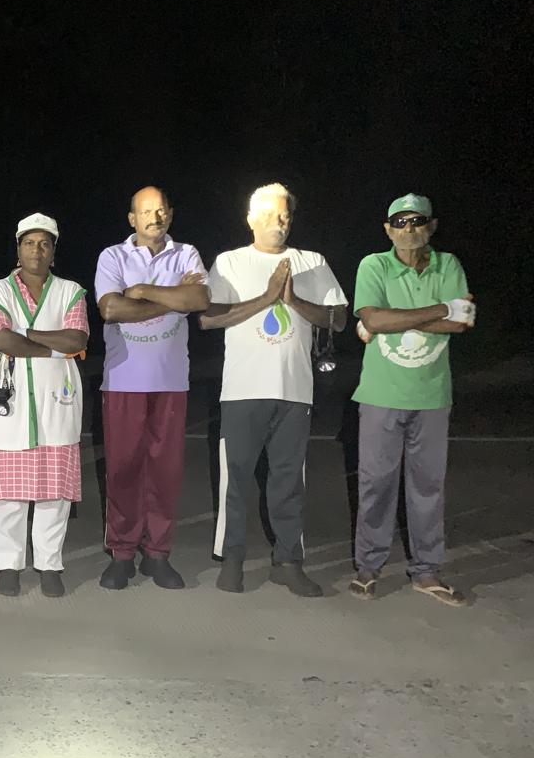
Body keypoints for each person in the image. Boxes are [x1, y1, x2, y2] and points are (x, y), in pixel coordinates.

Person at [201, 183, 347, 596]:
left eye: (284, 215)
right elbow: (208, 319)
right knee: (236, 480)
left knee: (289, 481)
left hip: (294, 391)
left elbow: (337, 319)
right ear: (250, 219)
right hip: (242, 390)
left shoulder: (311, 262)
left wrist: (293, 300)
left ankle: (288, 562)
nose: (277, 222)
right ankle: (232, 560)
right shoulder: (230, 262)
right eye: (268, 215)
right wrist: (267, 298)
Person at [349, 193, 474, 605]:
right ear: (388, 229)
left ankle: (427, 571)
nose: (409, 229)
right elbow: (371, 317)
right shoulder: (374, 265)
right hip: (381, 393)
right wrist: (440, 309)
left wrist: (392, 320)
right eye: (400, 222)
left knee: (428, 486)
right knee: (376, 483)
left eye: (417, 221)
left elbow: (462, 322)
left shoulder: (448, 264)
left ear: (431, 226)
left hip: (433, 395)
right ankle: (368, 566)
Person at [94, 186, 209, 591]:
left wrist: (142, 292)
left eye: (160, 211)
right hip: (123, 380)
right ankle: (122, 554)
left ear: (170, 215)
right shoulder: (113, 256)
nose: (154, 218)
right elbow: (110, 308)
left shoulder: (186, 253)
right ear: (132, 219)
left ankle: (157, 554)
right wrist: (175, 300)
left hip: (171, 380)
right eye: (145, 212)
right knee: (123, 468)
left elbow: (200, 298)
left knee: (165, 472)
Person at [0, 213, 90, 598]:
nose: (36, 251)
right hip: (9, 404)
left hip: (58, 401)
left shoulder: (70, 291)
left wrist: (25, 333)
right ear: (18, 249)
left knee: (54, 493)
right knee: (7, 495)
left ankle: (49, 564)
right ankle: (9, 565)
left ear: (54, 252)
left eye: (44, 244)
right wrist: (52, 348)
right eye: (29, 243)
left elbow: (77, 339)